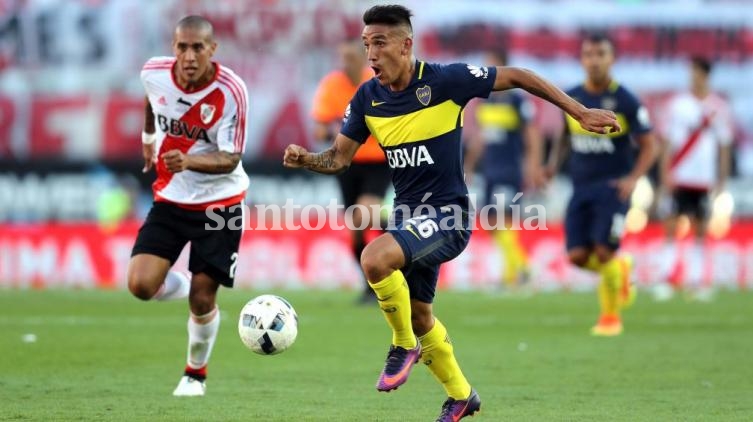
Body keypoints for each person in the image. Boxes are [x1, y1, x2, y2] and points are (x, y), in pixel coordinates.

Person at [284, 5, 619, 420]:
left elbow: (516, 75)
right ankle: (461, 396)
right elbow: (338, 158)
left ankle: (402, 344)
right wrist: (306, 159)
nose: (371, 54)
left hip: (448, 216)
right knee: (422, 314)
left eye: (380, 43)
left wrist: (579, 111)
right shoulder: (367, 97)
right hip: (411, 219)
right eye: (367, 44)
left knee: (374, 258)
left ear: (406, 45)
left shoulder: (444, 80)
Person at [126, 15, 249, 397]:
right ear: (173, 46)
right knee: (140, 285)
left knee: (203, 298)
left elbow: (231, 158)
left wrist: (189, 160)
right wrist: (149, 136)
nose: (190, 55)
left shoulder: (231, 91)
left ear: (213, 49)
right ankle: (184, 284)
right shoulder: (154, 71)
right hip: (172, 199)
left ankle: (195, 373)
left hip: (220, 203)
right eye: (182, 47)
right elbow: (150, 97)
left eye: (198, 47)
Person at [547, 33, 656, 336]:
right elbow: (564, 136)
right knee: (577, 256)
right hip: (580, 186)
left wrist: (633, 178)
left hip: (612, 187)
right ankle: (620, 272)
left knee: (604, 251)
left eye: (601, 54)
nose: (594, 60)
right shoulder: (571, 97)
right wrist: (553, 165)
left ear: (612, 59)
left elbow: (650, 145)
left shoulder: (626, 100)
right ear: (582, 59)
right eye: (588, 54)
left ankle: (610, 318)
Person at [311, 40, 390, 304]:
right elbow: (320, 130)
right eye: (342, 58)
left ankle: (398, 247)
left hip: (378, 161)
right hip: (346, 162)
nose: (346, 64)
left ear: (364, 58)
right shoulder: (332, 86)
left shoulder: (378, 83)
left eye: (351, 58)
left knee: (363, 212)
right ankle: (372, 284)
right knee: (357, 228)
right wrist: (336, 131)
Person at [464, 49, 545, 289]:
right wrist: (468, 164)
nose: (485, 72)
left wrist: (533, 166)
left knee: (501, 219)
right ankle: (517, 269)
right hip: (490, 168)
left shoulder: (518, 101)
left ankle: (519, 272)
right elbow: (480, 137)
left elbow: (533, 135)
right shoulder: (484, 102)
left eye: (490, 66)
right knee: (492, 222)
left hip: (510, 168)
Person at [659, 56, 733, 297]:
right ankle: (667, 278)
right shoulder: (678, 104)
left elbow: (724, 146)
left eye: (696, 73)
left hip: (703, 178)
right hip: (679, 174)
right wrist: (665, 174)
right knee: (671, 225)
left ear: (705, 75)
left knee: (700, 229)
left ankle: (698, 279)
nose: (693, 77)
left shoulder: (718, 107)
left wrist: (721, 180)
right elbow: (667, 142)